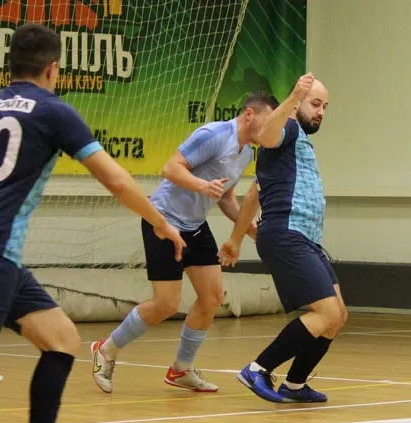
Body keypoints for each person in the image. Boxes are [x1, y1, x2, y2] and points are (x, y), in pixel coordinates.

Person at [0, 23, 185, 423]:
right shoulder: (53, 111)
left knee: (62, 338)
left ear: (10, 66)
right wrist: (161, 223)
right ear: (53, 69)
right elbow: (117, 180)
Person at [89, 92, 279, 394]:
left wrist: (251, 232)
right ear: (248, 115)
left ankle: (181, 369)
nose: (271, 129)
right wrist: (202, 185)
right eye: (268, 121)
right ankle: (106, 349)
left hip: (195, 226)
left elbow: (226, 198)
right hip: (163, 221)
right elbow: (170, 168)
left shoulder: (246, 154)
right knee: (166, 304)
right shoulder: (214, 135)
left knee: (212, 297)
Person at [218, 73, 346, 404]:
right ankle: (257, 369)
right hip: (288, 234)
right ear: (297, 102)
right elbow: (264, 135)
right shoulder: (287, 128)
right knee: (326, 314)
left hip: (304, 239)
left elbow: (252, 196)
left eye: (325, 107)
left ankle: (295, 384)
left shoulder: (294, 142)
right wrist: (291, 100)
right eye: (315, 104)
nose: (321, 112)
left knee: (338, 316)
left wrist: (235, 239)